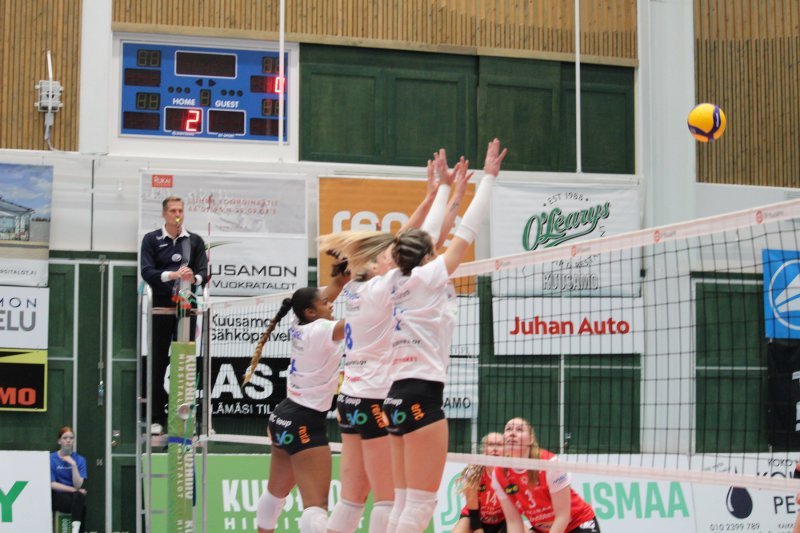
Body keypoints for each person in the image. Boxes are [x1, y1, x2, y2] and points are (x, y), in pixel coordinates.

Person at [320, 154, 471, 533]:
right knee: (390, 500)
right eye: (387, 255)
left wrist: (435, 195)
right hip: (378, 397)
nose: (391, 256)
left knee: (352, 499)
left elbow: (412, 242)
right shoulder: (387, 287)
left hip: (350, 399)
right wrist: (446, 194)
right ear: (377, 263)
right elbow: (423, 244)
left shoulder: (356, 288)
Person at [381, 139, 507, 533]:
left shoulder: (393, 280)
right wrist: (488, 179)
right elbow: (465, 232)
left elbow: (426, 236)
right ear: (428, 255)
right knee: (419, 506)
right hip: (421, 395)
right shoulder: (429, 276)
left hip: (395, 396)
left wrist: (447, 189)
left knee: (404, 501)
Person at [249, 258, 350, 533]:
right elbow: (360, 323)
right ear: (311, 311)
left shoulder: (300, 324)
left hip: (282, 418)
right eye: (325, 303)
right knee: (316, 507)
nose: (330, 304)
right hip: (305, 422)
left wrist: (340, 281)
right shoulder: (321, 329)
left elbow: (326, 295)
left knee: (275, 495)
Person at [139, 196, 208, 430]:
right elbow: (147, 271)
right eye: (172, 211)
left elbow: (203, 273)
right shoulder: (151, 239)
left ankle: (185, 418)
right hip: (160, 307)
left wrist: (192, 278)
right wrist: (173, 276)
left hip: (186, 307)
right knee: (158, 362)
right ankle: (156, 418)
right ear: (164, 214)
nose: (177, 214)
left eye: (180, 210)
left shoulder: (195, 241)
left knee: (185, 362)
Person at [492, 418, 599, 533]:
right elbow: (513, 521)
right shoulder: (499, 473)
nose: (512, 433)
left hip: (577, 523)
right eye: (508, 429)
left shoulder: (549, 463)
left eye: (519, 430)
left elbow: (563, 516)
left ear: (531, 439)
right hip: (543, 529)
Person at [453, 432, 506, 533]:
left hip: (503, 521)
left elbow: (513, 517)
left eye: (499, 445)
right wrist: (478, 530)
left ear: (506, 450)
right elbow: (473, 514)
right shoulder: (473, 472)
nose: (495, 448)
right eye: (491, 444)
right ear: (484, 450)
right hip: (474, 518)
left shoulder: (511, 473)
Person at [50, 426, 88, 533]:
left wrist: (73, 465)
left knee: (80, 500)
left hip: (73, 498)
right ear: (59, 441)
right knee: (80, 501)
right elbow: (52, 484)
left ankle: (75, 530)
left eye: (71, 438)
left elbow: (78, 485)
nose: (68, 440)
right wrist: (74, 490)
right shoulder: (51, 458)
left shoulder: (80, 460)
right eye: (65, 438)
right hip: (57, 496)